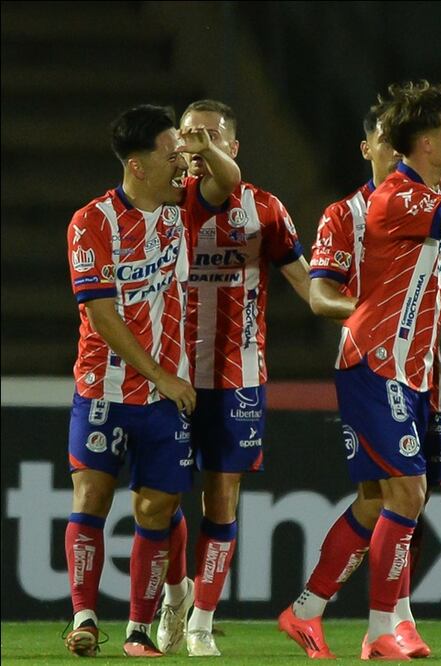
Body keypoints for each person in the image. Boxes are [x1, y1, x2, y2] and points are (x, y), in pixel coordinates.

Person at [286, 77, 441, 661]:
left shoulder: (439, 186)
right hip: (377, 362)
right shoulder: (398, 198)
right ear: (425, 141)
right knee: (408, 493)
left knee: (382, 499)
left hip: (415, 370)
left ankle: (306, 611)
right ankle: (382, 628)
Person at [64, 104, 239, 657]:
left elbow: (229, 179)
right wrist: (162, 375)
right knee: (91, 493)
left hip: (169, 394)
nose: (182, 165)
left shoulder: (182, 207)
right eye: (171, 155)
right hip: (106, 387)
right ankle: (85, 618)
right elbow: (102, 315)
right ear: (137, 166)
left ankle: (140, 628)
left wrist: (202, 143)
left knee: (156, 508)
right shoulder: (91, 222)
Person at [151, 99, 312, 657]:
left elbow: (306, 285)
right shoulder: (164, 204)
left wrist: (357, 313)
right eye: (188, 135)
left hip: (238, 376)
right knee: (161, 497)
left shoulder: (263, 209)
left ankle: (200, 622)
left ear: (233, 147)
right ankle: (175, 594)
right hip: (168, 373)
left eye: (209, 136)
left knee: (221, 499)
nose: (195, 146)